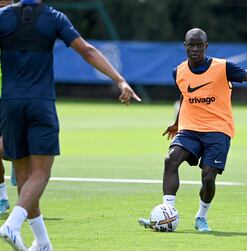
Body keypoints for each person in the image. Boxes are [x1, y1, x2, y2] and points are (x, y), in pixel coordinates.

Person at [0, 0, 141, 250]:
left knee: (23, 175)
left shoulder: (3, 17)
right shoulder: (53, 17)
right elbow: (86, 50)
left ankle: (42, 242)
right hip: (40, 103)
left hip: (10, 104)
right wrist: (120, 80)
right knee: (41, 173)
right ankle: (12, 223)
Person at [139, 28, 247, 232]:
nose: (195, 49)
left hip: (218, 129)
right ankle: (167, 213)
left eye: (200, 45)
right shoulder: (179, 71)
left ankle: (201, 217)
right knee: (170, 160)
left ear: (206, 47)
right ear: (185, 46)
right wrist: (176, 122)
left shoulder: (223, 67)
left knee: (208, 177)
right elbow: (185, 95)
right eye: (191, 45)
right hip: (190, 128)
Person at [0, 0, 14, 217]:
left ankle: (20, 157)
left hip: (12, 95)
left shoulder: (16, 23)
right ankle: (2, 196)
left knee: (6, 149)